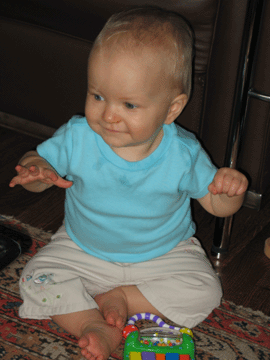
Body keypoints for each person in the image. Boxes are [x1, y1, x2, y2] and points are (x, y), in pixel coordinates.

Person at [9, 6, 248, 360]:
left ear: (171, 110)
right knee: (35, 277)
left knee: (205, 289)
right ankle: (93, 324)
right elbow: (40, 169)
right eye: (98, 96)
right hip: (82, 248)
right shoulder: (78, 137)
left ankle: (123, 298)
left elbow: (216, 205)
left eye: (129, 105)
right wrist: (36, 171)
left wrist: (229, 192)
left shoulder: (182, 153)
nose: (108, 115)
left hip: (164, 254)